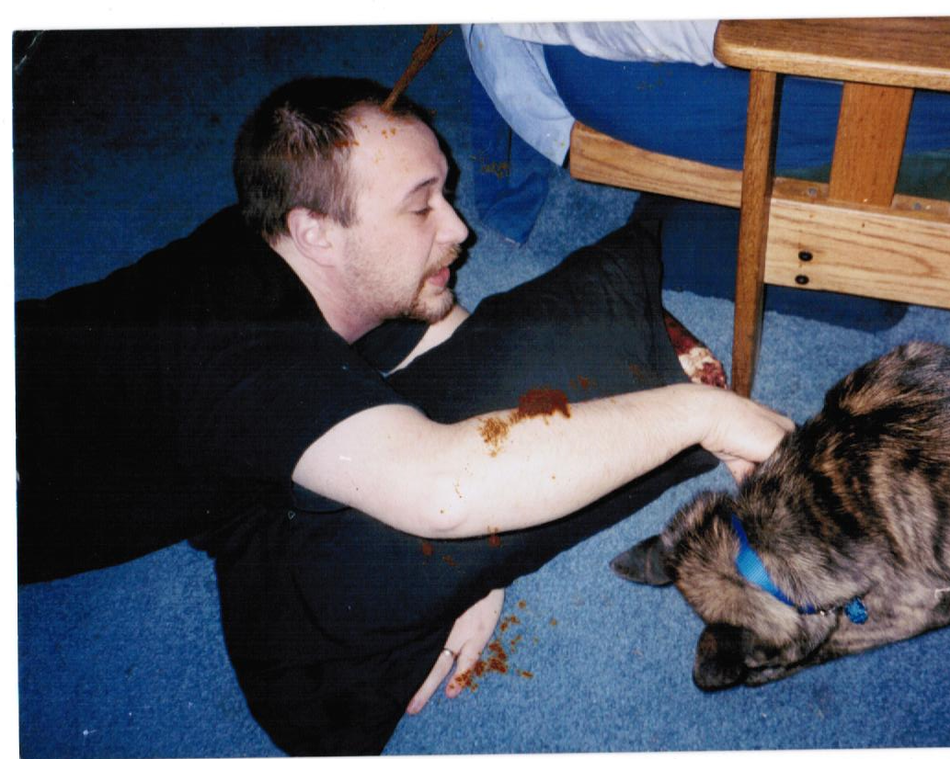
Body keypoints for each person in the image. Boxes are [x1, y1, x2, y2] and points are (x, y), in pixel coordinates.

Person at [16, 76, 793, 755]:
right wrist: (700, 413)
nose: (459, 228)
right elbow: (443, 490)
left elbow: (462, 348)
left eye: (444, 193)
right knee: (322, 702)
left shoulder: (278, 252)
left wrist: (486, 558)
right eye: (421, 206)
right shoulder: (246, 349)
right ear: (315, 231)